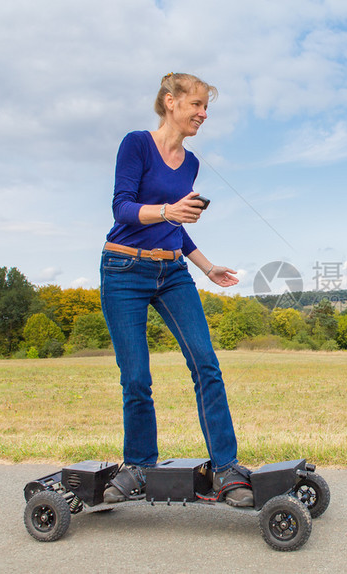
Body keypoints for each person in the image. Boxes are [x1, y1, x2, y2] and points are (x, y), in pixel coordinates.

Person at [99, 73, 252, 507]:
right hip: (123, 268)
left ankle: (225, 468)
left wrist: (206, 267)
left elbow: (176, 227)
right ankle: (139, 465)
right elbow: (123, 207)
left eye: (207, 108)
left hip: (173, 273)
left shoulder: (191, 163)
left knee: (206, 363)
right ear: (170, 102)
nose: (203, 114)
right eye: (197, 105)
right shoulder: (137, 144)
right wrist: (168, 209)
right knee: (136, 378)